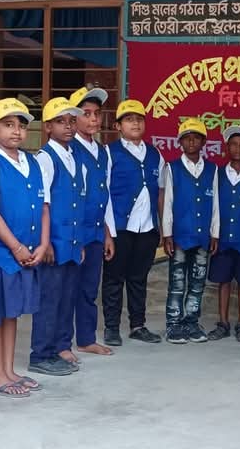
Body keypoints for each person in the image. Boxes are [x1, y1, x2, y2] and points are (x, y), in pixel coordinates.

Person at [0, 98, 50, 387]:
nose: (16, 131)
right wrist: (16, 247)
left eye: (21, 125)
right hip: (1, 252)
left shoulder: (33, 162)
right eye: (8, 125)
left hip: (29, 251)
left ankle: (8, 371)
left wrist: (43, 244)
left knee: (12, 312)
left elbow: (44, 207)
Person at [102, 99, 165, 345]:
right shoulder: (109, 153)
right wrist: (107, 231)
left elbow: (160, 192)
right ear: (118, 126)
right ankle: (111, 328)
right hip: (120, 227)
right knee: (114, 279)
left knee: (139, 279)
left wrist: (162, 227)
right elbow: (104, 193)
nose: (135, 123)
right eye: (129, 120)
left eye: (139, 119)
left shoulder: (155, 154)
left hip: (146, 228)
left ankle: (138, 325)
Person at [30, 97, 85, 375]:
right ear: (48, 127)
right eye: (61, 121)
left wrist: (80, 241)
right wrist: (46, 241)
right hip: (55, 241)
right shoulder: (45, 158)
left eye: (72, 121)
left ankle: (61, 346)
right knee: (49, 300)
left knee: (67, 297)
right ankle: (41, 353)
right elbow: (43, 204)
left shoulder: (74, 156)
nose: (68, 126)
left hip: (72, 241)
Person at [67, 86, 115, 356]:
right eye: (86, 113)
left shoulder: (103, 151)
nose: (94, 119)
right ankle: (61, 343)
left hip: (96, 231)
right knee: (67, 290)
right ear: (74, 118)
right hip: (75, 232)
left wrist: (107, 233)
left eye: (97, 113)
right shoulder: (69, 149)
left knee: (88, 289)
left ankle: (86, 339)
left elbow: (104, 194)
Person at [161, 118, 217, 344]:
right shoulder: (172, 168)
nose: (191, 142)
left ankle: (191, 322)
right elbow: (167, 202)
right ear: (180, 142)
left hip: (203, 236)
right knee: (177, 282)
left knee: (197, 282)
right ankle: (173, 324)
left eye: (196, 138)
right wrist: (167, 234)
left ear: (204, 142)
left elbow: (216, 204)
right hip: (180, 236)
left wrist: (215, 233)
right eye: (187, 138)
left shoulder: (212, 169)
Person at [206, 125, 240, 342]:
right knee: (223, 281)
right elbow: (213, 205)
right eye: (233, 144)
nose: (238, 149)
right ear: (226, 147)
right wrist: (214, 234)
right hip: (223, 238)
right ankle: (223, 322)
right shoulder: (217, 173)